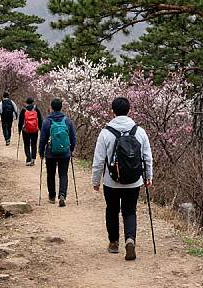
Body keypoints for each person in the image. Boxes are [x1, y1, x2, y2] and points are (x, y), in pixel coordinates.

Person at [91, 96, 153, 261]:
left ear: (113, 111)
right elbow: (147, 157)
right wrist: (148, 176)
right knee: (130, 211)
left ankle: (113, 243)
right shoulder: (139, 131)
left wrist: (96, 181)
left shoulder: (105, 132)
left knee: (111, 210)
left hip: (111, 181)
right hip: (134, 180)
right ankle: (130, 239)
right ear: (129, 110)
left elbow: (98, 160)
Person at [39, 98, 76, 207]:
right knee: (63, 174)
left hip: (50, 153)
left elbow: (43, 139)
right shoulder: (67, 121)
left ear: (51, 107)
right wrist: (71, 148)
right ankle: (62, 195)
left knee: (51, 174)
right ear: (61, 107)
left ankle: (51, 196)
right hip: (65, 152)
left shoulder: (47, 121)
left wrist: (41, 151)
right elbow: (73, 137)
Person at [18, 97, 43, 166]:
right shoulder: (36, 109)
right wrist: (41, 129)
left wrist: (19, 130)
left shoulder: (23, 109)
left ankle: (28, 159)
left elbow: (20, 121)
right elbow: (40, 120)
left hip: (25, 130)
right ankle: (33, 159)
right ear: (33, 102)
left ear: (26, 102)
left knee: (26, 144)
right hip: (35, 130)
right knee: (33, 144)